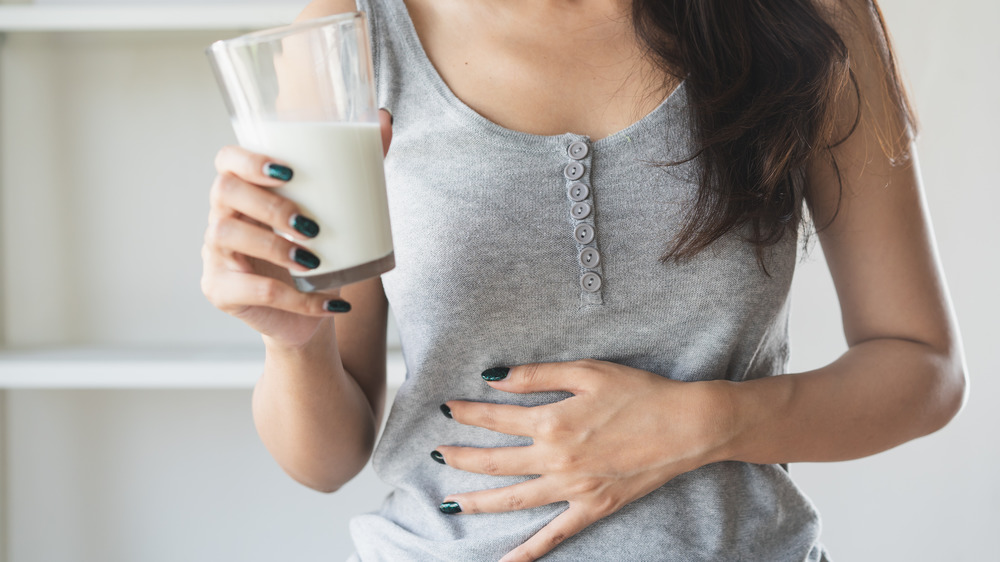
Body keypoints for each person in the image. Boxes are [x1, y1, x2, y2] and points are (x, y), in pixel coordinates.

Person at [201, 0, 968, 559]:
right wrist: (297, 342)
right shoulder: (351, 33)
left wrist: (702, 424)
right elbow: (325, 460)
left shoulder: (808, 16)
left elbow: (923, 368)